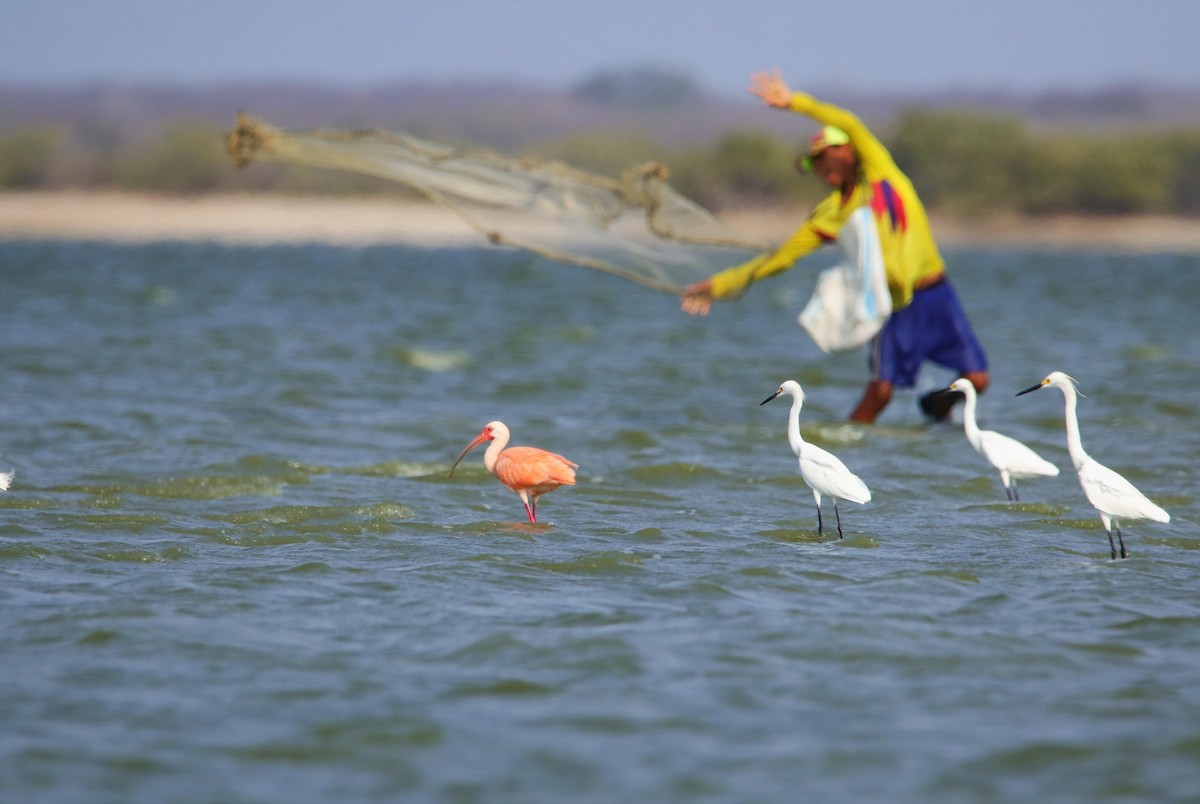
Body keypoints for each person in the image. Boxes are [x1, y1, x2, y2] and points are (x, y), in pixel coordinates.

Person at [681, 69, 989, 424]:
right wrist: (717, 286)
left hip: (936, 291)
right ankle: (847, 450)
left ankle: (937, 408)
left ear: (847, 153)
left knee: (977, 380)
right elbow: (780, 259)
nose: (821, 168)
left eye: (825, 157)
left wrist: (795, 102)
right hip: (893, 304)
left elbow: (851, 123)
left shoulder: (880, 174)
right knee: (881, 392)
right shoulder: (831, 214)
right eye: (815, 164)